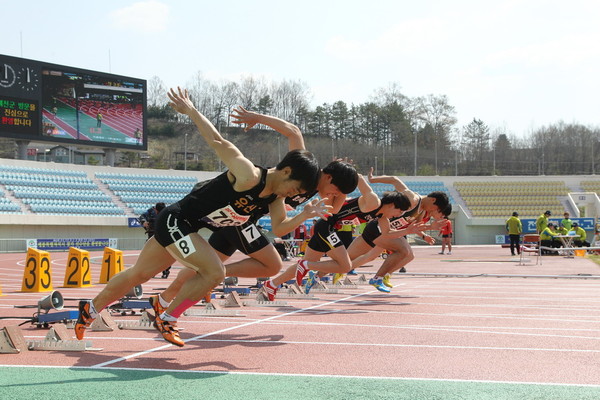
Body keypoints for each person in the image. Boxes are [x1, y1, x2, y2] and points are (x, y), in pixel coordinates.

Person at [74, 87, 321, 347]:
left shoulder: (276, 197)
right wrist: (192, 111)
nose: (294, 195)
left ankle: (88, 311)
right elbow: (218, 142)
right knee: (213, 272)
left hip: (192, 227)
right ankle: (168, 318)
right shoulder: (248, 175)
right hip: (176, 220)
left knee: (140, 274)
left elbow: (281, 228)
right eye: (296, 188)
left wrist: (304, 214)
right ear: (286, 172)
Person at [264, 172, 426, 298]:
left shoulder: (382, 217)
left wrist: (408, 231)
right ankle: (307, 267)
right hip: (327, 226)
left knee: (312, 262)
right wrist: (346, 171)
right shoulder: (373, 202)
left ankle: (271, 284)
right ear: (391, 204)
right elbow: (360, 179)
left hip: (329, 228)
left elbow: (387, 233)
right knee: (345, 265)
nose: (398, 215)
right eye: (398, 211)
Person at [347, 171, 451, 292]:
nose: (434, 211)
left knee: (360, 257)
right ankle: (378, 277)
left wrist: (428, 229)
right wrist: (373, 180)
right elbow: (394, 180)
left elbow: (414, 227)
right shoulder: (413, 199)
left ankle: (334, 272)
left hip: (389, 232)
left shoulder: (422, 211)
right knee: (401, 252)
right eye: (437, 209)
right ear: (433, 200)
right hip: (378, 227)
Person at [138, 202, 171, 278]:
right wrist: (144, 222)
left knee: (164, 254)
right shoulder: (150, 211)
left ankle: (166, 270)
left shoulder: (168, 213)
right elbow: (142, 216)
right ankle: (151, 271)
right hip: (152, 235)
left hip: (163, 236)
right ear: (155, 209)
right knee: (150, 254)